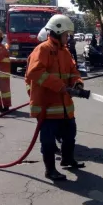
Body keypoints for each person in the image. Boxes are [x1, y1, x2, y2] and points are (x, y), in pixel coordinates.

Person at [25, 14, 85, 181]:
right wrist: (59, 85)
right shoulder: (43, 49)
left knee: (70, 134)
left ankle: (67, 159)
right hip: (47, 106)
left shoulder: (64, 52)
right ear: (58, 32)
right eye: (66, 34)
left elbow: (73, 72)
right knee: (49, 141)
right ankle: (50, 170)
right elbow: (34, 72)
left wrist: (77, 83)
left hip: (65, 105)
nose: (68, 38)